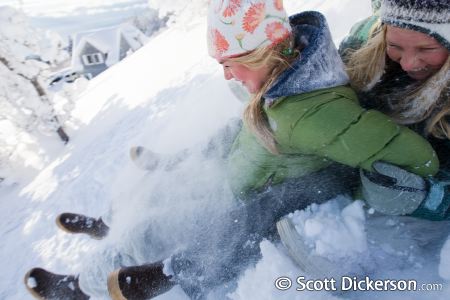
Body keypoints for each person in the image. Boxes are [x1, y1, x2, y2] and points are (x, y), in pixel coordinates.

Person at [24, 1, 441, 299]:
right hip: (238, 173)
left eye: (233, 61)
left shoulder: (313, 113)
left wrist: (374, 185)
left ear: (267, 51)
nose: (225, 74)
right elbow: (245, 131)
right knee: (158, 192)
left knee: (145, 232)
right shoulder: (285, 78)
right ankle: (107, 226)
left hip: (241, 195)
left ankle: (76, 289)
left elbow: (415, 157)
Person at [340, 0, 450, 220]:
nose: (408, 64)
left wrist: (430, 198)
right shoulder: (361, 47)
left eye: (427, 48)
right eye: (395, 46)